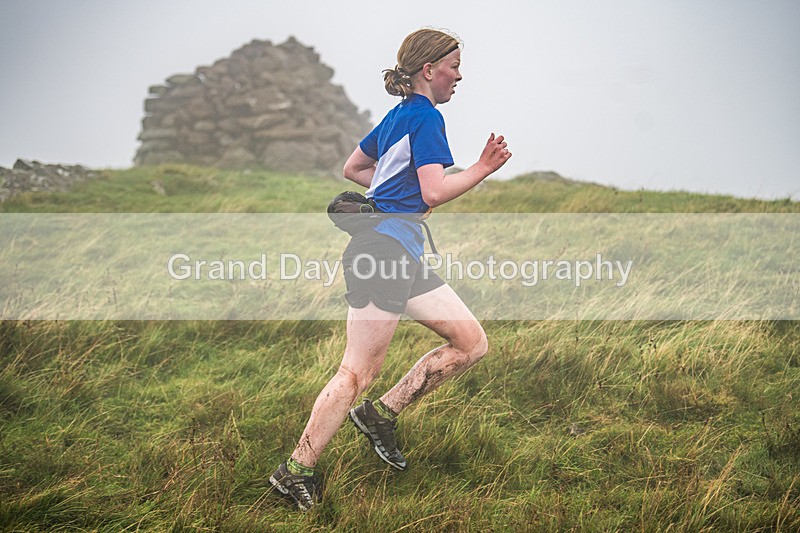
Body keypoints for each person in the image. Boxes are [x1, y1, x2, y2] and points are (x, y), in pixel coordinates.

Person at [269, 28, 511, 511]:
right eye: (453, 66)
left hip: (399, 252)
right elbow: (434, 193)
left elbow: (353, 169)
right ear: (429, 70)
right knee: (357, 371)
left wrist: (387, 193)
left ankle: (381, 415)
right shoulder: (424, 119)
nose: (459, 75)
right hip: (382, 254)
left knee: (471, 343)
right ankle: (294, 470)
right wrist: (482, 167)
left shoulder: (399, 116)